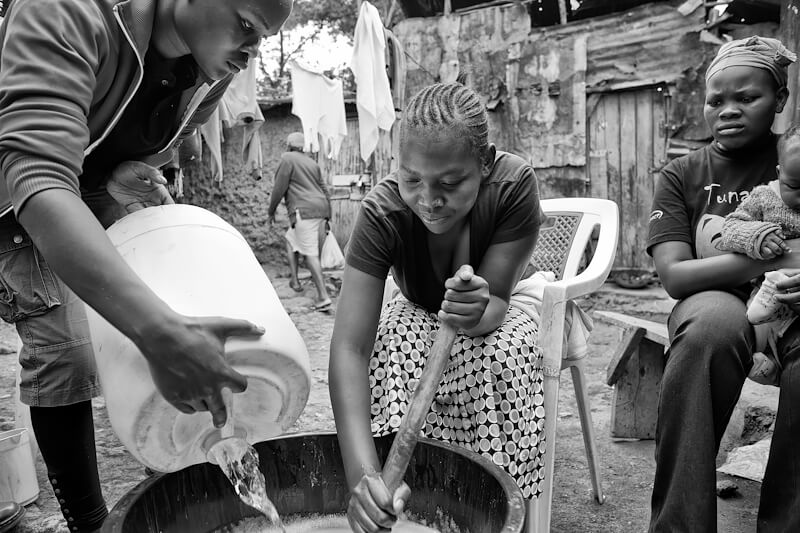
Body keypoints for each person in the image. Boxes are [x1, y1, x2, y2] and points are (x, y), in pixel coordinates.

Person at [0, 0, 292, 531]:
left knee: (135, 343)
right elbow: (38, 177)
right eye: (245, 26)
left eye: (261, 39)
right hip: (14, 202)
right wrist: (161, 332)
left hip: (83, 191)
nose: (248, 56)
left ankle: (181, 502)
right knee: (68, 352)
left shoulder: (210, 72)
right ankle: (91, 524)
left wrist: (122, 173)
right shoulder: (67, 10)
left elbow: (131, 144)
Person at [329, 81, 545, 532]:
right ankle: (402, 499)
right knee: (392, 344)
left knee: (499, 357)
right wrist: (362, 481)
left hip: (503, 301)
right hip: (417, 305)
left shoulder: (513, 186)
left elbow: (496, 305)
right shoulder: (381, 215)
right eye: (412, 180)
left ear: (484, 163)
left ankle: (493, 503)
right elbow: (350, 350)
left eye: (450, 183)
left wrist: (478, 310)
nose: (428, 200)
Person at [647, 35, 800, 532]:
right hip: (718, 303)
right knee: (709, 329)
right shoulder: (682, 174)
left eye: (747, 98)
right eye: (717, 100)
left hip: (794, 307)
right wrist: (775, 256)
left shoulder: (796, 158)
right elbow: (675, 275)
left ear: (779, 100)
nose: (728, 110)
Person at [717, 125, 800, 384]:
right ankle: (768, 361)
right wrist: (757, 235)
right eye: (794, 185)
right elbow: (729, 228)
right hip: (770, 289)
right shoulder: (764, 196)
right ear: (779, 172)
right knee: (760, 317)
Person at [267, 132, 333, 311]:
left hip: (303, 211)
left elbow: (279, 187)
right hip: (320, 208)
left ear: (289, 145)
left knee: (310, 252)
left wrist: (271, 211)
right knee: (290, 239)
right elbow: (324, 188)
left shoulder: (287, 159)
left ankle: (323, 296)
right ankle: (295, 281)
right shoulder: (312, 162)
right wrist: (329, 214)